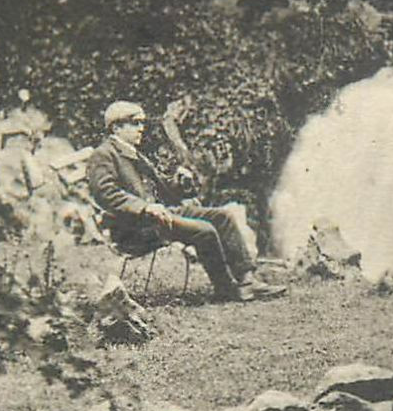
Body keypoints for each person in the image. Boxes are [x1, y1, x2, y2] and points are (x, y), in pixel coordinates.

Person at [87, 100, 284, 302]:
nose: (141, 128)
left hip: (160, 215)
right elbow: (106, 194)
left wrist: (181, 182)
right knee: (204, 231)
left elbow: (163, 189)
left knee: (222, 216)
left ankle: (247, 281)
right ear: (117, 127)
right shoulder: (103, 155)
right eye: (135, 123)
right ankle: (225, 288)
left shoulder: (134, 154)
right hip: (134, 228)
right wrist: (145, 208)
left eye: (142, 123)